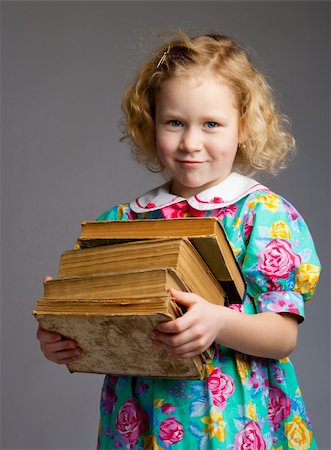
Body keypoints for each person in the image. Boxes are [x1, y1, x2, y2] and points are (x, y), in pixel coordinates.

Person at [37, 31, 321, 449]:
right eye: (174, 122)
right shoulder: (123, 222)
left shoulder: (263, 217)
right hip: (140, 417)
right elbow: (109, 322)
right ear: (150, 122)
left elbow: (283, 336)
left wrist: (220, 322)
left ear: (243, 126)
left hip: (230, 416)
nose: (190, 143)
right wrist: (64, 334)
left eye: (211, 124)